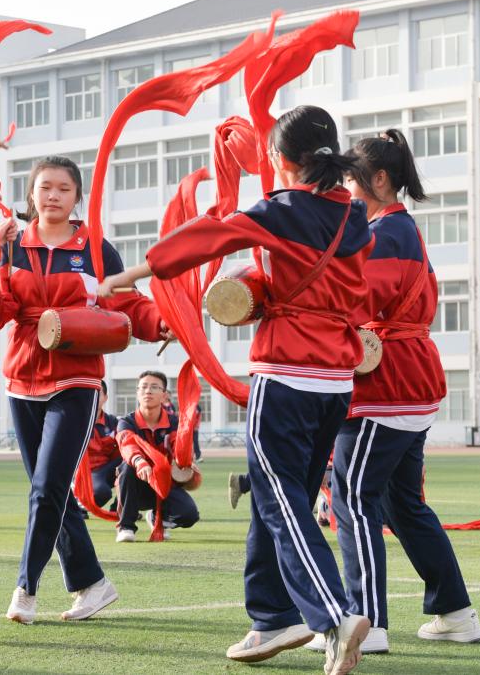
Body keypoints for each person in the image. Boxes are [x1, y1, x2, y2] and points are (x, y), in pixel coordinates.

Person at [101, 106, 373, 673]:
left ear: (281, 159)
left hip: (286, 373)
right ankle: (271, 616)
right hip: (335, 382)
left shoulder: (282, 210)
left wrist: (131, 275)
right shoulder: (353, 216)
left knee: (280, 502)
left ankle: (333, 613)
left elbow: (209, 236)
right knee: (280, 499)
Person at [0, 155, 167, 626]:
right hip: (22, 381)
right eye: (45, 187)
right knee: (51, 492)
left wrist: (160, 323)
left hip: (77, 381)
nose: (54, 195)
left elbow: (125, 301)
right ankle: (92, 584)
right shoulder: (12, 245)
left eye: (63, 187)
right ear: (32, 195)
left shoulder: (96, 249)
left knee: (45, 490)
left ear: (77, 196)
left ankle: (26, 588)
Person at [308, 129, 480, 656]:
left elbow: (356, 302)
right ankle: (456, 613)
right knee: (403, 505)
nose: (346, 192)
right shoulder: (401, 230)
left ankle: (367, 622)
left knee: (353, 500)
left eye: (350, 181)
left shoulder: (384, 234)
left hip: (385, 384)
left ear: (378, 180)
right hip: (410, 380)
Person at [115, 371, 199, 542]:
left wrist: (186, 460)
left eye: (154, 387)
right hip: (137, 484)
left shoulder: (174, 422)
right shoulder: (127, 422)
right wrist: (140, 461)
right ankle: (126, 526)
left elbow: (180, 446)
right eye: (143, 387)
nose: (148, 391)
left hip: (164, 483)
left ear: (164, 395)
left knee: (190, 515)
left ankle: (156, 518)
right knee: (127, 467)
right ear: (137, 393)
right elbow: (127, 444)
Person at [86, 381, 120, 510]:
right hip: (81, 472)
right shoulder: (74, 421)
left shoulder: (113, 422)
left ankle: (122, 507)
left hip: (106, 470)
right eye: (90, 394)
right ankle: (77, 500)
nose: (93, 398)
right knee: (102, 493)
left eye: (98, 394)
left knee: (133, 461)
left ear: (105, 398)